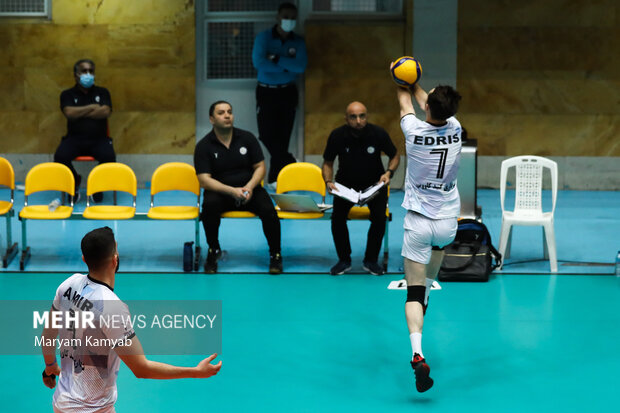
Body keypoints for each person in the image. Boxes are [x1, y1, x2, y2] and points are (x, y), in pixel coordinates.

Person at [41, 227, 222, 412]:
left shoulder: (68, 285)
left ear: (84, 259)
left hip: (61, 404)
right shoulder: (112, 308)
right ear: (115, 259)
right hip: (92, 409)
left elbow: (47, 334)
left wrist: (50, 366)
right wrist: (195, 372)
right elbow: (141, 369)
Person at [396, 82, 462, 392]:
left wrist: (403, 80)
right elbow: (434, 105)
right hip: (447, 223)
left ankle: (417, 353)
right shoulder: (457, 128)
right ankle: (427, 295)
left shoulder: (412, 130)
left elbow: (405, 102)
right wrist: (420, 83)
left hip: (418, 222)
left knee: (413, 292)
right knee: (432, 269)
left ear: (427, 108)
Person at [194, 101, 283, 274]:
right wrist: (232, 191)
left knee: (269, 210)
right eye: (221, 113)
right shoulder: (204, 146)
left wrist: (248, 187)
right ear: (212, 119)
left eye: (229, 112)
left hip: (249, 190)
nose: (227, 115)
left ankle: (276, 255)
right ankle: (214, 251)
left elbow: (260, 167)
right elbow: (204, 180)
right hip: (221, 191)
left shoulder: (247, 138)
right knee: (209, 208)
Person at [322, 102, 399, 276]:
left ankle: (371, 260)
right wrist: (328, 181)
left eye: (362, 116)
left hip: (374, 186)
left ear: (367, 116)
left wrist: (388, 172)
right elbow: (327, 163)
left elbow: (394, 156)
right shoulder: (337, 135)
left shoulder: (378, 133)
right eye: (353, 117)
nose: (358, 120)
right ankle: (344, 260)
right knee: (337, 219)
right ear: (346, 118)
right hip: (345, 186)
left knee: (379, 218)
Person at [252, 2, 307, 184]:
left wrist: (275, 58)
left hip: (287, 92)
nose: (289, 21)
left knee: (283, 137)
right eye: (285, 17)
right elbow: (259, 63)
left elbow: (299, 67)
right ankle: (290, 161)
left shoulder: (298, 41)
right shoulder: (264, 38)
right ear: (278, 17)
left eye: (292, 18)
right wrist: (285, 67)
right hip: (266, 91)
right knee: (266, 134)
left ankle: (275, 181)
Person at [54, 59, 116, 203]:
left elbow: (105, 112)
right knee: (60, 157)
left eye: (91, 71)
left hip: (99, 139)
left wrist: (80, 112)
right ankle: (74, 182)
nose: (88, 74)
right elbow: (69, 113)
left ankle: (97, 185)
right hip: (74, 139)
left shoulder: (103, 92)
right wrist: (93, 107)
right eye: (84, 71)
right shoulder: (67, 94)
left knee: (109, 157)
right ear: (76, 75)